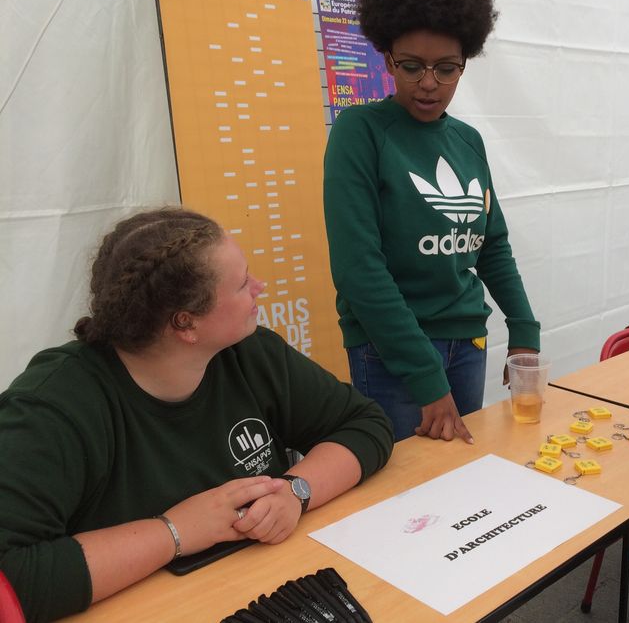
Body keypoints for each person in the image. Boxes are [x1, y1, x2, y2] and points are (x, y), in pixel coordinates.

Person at [0, 208, 394, 622]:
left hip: (270, 594)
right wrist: (173, 532)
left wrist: (297, 491)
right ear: (185, 323)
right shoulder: (52, 407)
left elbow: (365, 423)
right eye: (243, 283)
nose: (259, 287)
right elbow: (12, 576)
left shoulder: (249, 351)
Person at [323, 0, 540, 444]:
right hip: (390, 350)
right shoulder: (361, 133)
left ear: (464, 64)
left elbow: (493, 246)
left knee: (459, 480)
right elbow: (360, 269)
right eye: (412, 66)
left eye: (446, 68)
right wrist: (425, 377)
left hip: (467, 344)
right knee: (407, 497)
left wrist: (524, 330)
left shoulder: (467, 141)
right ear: (387, 59)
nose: (428, 83)